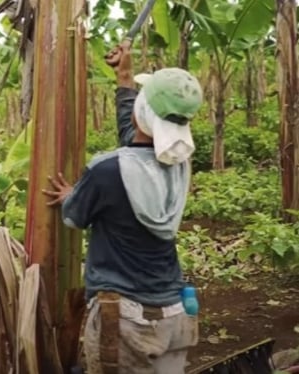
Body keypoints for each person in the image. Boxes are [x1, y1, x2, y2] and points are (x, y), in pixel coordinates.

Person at [43, 44, 203, 373]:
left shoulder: (107, 170)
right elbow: (137, 134)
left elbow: (74, 217)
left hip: (129, 322)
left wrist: (73, 194)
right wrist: (125, 75)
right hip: (176, 315)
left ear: (144, 111)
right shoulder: (180, 162)